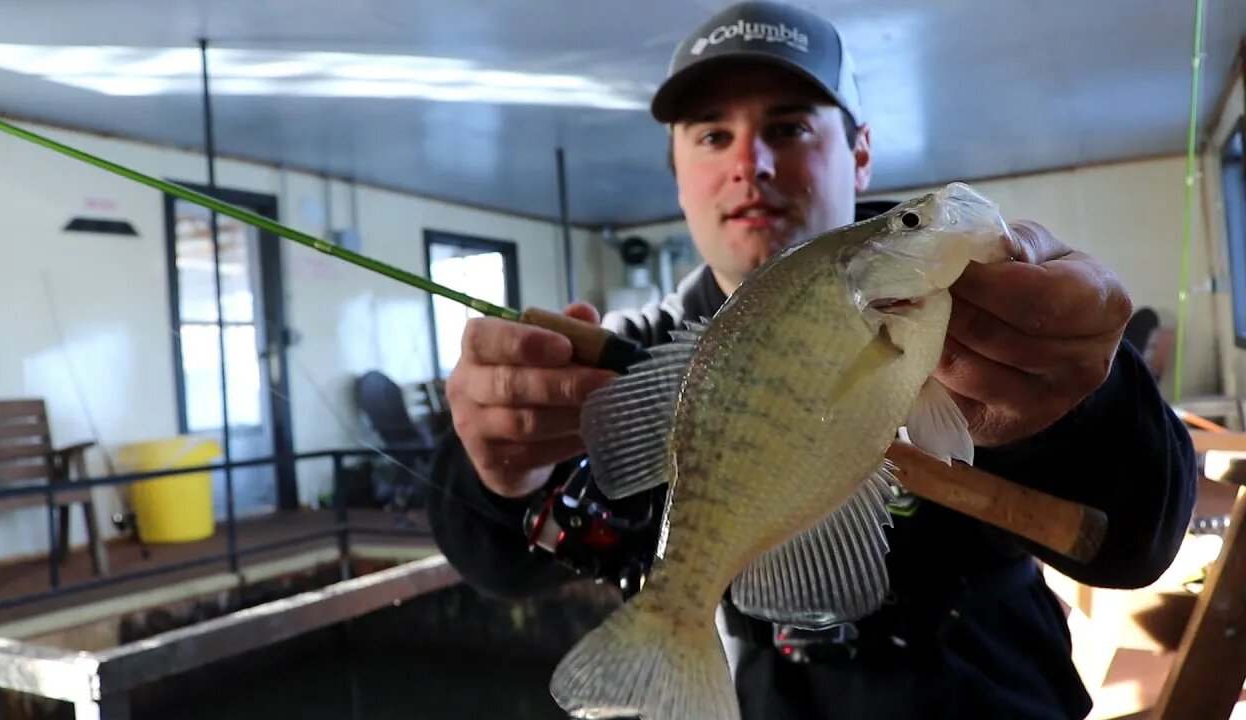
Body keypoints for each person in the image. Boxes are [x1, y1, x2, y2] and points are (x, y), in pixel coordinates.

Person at [427, 2, 1198, 718]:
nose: (750, 163)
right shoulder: (642, 348)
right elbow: (499, 564)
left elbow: (1140, 539)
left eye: (790, 127)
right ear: (677, 174)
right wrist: (497, 472)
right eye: (709, 134)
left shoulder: (971, 305)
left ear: (859, 154)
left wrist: (1079, 400)